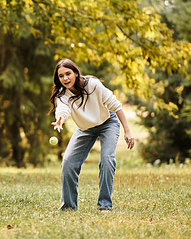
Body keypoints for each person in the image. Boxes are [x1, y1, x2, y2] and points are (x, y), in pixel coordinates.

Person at [49, 59, 134, 211]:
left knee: (107, 160)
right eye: (61, 76)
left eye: (68, 74)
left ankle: (104, 206)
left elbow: (116, 106)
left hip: (107, 122)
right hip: (85, 128)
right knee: (68, 162)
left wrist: (127, 131)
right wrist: (60, 118)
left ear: (76, 73)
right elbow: (63, 109)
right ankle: (68, 207)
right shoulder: (62, 94)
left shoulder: (93, 85)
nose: (65, 78)